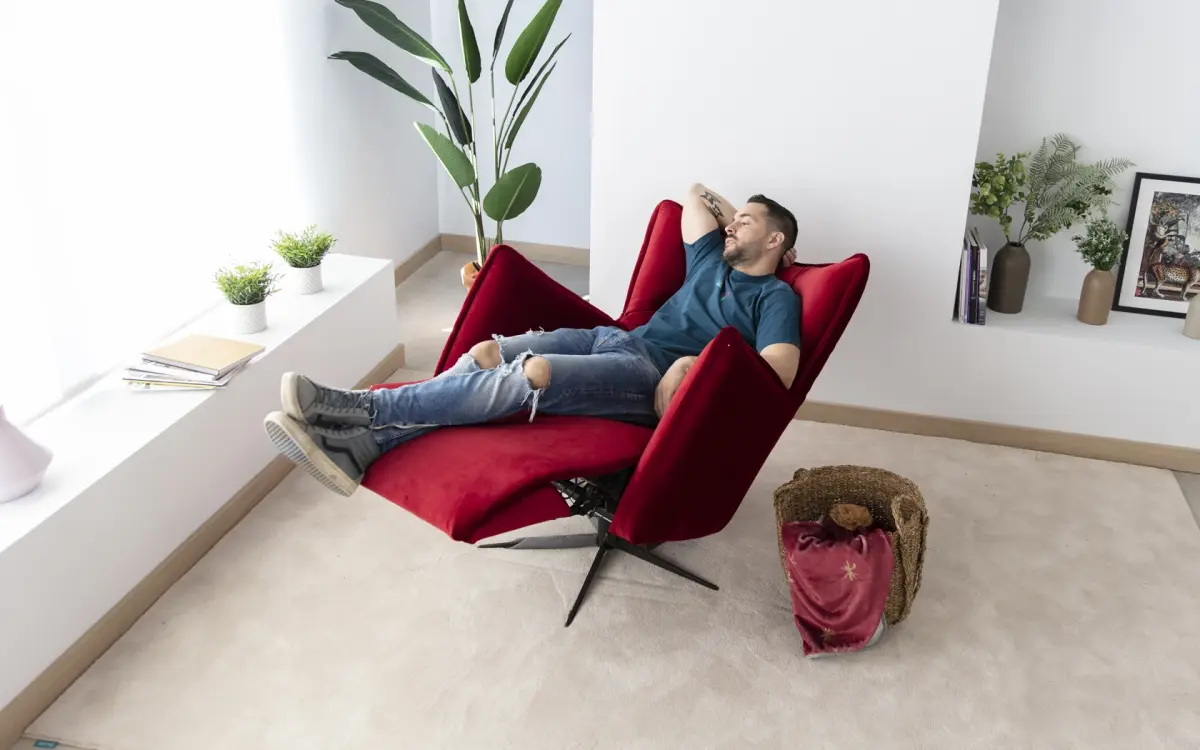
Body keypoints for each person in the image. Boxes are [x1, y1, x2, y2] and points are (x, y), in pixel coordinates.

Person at [262, 183, 802, 497]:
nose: (731, 226)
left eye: (746, 223)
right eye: (734, 219)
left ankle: (364, 408)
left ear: (775, 239)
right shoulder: (709, 258)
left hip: (648, 375)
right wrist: (741, 218)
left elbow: (775, 373)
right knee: (486, 353)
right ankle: (366, 447)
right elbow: (695, 194)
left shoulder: (775, 297)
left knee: (532, 375)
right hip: (613, 339)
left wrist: (692, 366)